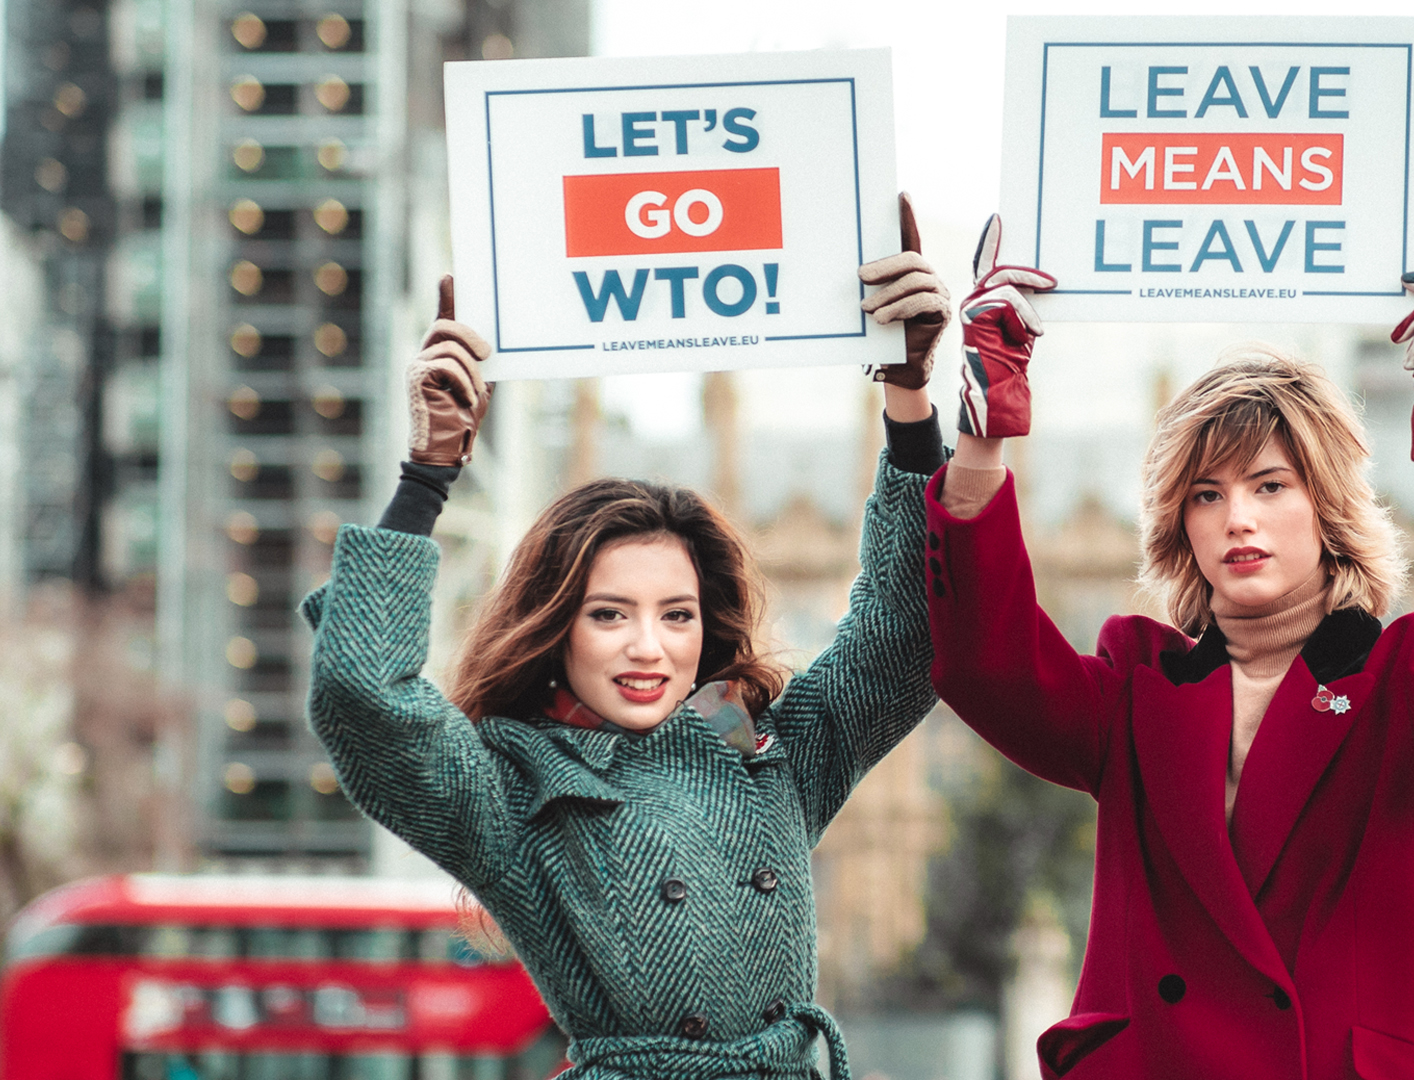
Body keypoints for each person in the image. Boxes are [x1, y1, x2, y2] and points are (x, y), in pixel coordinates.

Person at [302, 196, 954, 1080]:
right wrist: (428, 475)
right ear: (555, 628)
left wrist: (910, 400)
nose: (650, 646)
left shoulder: (749, 738)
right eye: (609, 614)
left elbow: (903, 641)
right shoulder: (516, 782)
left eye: (676, 615)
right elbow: (363, 698)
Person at [923, 217, 1414, 1079]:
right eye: (1206, 494)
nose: (1237, 519)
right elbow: (984, 664)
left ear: (1327, 507)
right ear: (1180, 526)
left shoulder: (1405, 689)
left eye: (1270, 486)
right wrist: (982, 430)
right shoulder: (1136, 689)